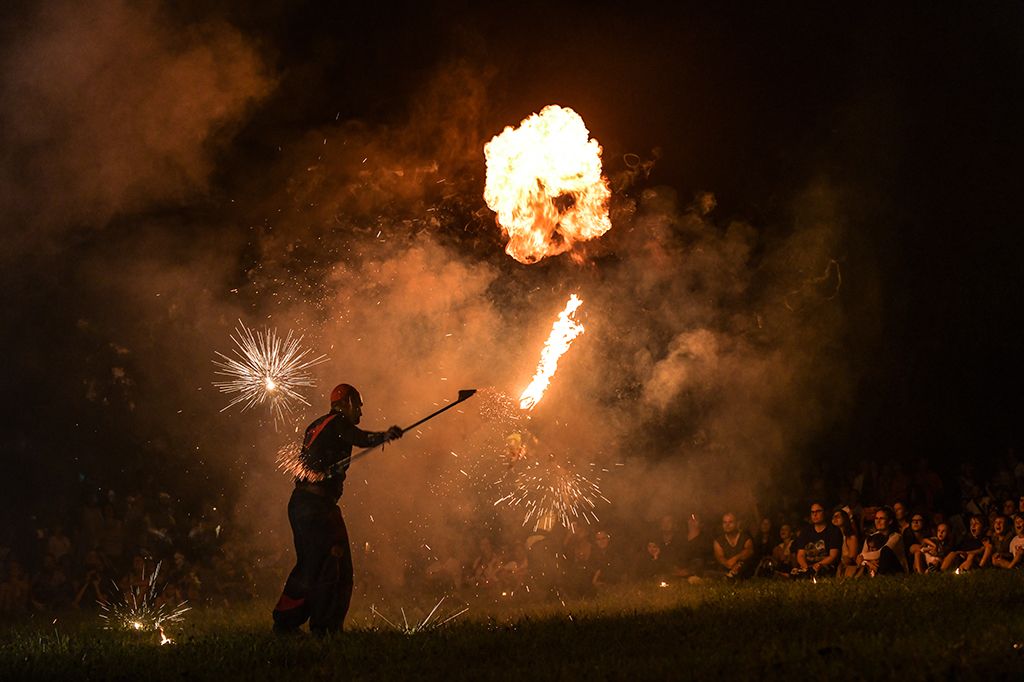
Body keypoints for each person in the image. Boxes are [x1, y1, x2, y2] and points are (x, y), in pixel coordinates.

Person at [272, 383, 402, 636]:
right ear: (348, 403)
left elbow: (312, 462)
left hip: (303, 503)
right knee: (335, 563)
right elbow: (360, 438)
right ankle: (323, 627)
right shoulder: (338, 423)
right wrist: (383, 436)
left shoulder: (317, 425)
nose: (361, 414)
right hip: (317, 507)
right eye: (359, 407)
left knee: (312, 564)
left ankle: (288, 621)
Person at [793, 502, 842, 578]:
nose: (815, 515)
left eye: (818, 511)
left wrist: (818, 565)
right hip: (808, 566)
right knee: (795, 573)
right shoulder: (805, 531)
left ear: (825, 512)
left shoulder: (833, 531)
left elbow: (833, 556)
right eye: (812, 512)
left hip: (825, 566)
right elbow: (800, 554)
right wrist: (806, 567)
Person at [712, 512, 754, 579]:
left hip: (743, 569)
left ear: (736, 523)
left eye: (730, 522)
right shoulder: (718, 541)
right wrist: (728, 564)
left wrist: (735, 558)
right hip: (725, 569)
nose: (727, 525)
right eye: (725, 522)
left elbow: (749, 551)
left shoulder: (745, 538)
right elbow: (720, 557)